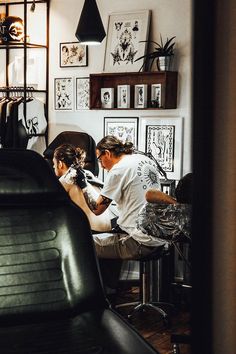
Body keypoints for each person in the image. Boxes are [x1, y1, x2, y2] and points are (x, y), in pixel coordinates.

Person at [76, 135, 163, 260]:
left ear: (107, 153)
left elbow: (97, 210)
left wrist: (83, 185)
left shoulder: (118, 170)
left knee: (82, 244)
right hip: (159, 236)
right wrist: (96, 181)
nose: (102, 166)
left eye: (100, 160)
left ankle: (101, 280)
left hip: (139, 241)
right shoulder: (143, 159)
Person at [53, 143, 113, 232]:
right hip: (107, 229)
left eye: (54, 163)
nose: (54, 166)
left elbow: (53, 207)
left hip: (92, 233)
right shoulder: (87, 173)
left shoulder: (66, 179)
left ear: (60, 164)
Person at [137, 173, 193, 241]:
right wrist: (178, 205)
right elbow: (150, 194)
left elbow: (149, 195)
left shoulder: (176, 216)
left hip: (142, 241)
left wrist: (176, 204)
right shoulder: (184, 215)